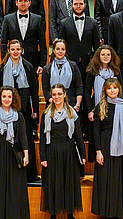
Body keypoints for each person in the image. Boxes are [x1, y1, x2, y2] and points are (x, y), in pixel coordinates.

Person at [39, 84, 87, 219]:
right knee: (53, 183)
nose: (57, 97)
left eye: (59, 94)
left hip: (69, 151)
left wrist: (83, 154)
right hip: (52, 151)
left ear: (64, 94)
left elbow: (78, 135)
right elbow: (42, 137)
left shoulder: (72, 113)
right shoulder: (46, 114)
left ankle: (70, 213)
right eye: (54, 94)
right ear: (51, 96)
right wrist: (43, 156)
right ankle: (53, 213)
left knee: (69, 182)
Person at [91, 78, 123, 218]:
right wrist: (98, 151)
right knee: (105, 180)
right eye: (109, 88)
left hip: (122, 147)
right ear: (105, 90)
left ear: (119, 90)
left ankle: (119, 212)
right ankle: (105, 212)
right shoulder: (100, 106)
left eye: (115, 88)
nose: (112, 90)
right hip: (105, 146)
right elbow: (96, 131)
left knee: (120, 180)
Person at [0, 39, 40, 183]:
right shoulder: (2, 68)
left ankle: (30, 175)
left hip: (25, 111)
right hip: (7, 111)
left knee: (26, 140)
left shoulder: (28, 67)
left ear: (22, 50)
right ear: (8, 51)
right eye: (13, 49)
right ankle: (11, 174)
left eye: (18, 49)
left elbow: (34, 90)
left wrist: (35, 113)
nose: (15, 52)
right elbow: (0, 92)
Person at [0, 86, 30, 219]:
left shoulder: (19, 116)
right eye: (4, 96)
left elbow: (23, 137)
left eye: (9, 97)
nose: (6, 99)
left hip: (14, 155)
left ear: (13, 98)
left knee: (15, 188)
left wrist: (26, 155)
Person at [84, 45, 122, 161]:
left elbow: (120, 92)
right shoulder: (92, 71)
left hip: (114, 107)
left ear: (112, 56)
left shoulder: (116, 72)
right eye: (103, 54)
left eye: (108, 55)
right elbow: (87, 92)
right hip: (97, 107)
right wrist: (90, 110)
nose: (105, 57)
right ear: (98, 56)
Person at [0, 0, 47, 74]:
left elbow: (42, 42)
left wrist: (42, 64)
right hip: (13, 59)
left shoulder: (38, 19)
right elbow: (3, 41)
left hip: (33, 59)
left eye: (25, 1)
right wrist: (5, 60)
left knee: (33, 86)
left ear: (29, 3)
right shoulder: (8, 19)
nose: (23, 3)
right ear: (16, 3)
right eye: (20, 1)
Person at [58, 0, 99, 79]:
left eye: (80, 4)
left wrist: (95, 63)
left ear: (85, 5)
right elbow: (61, 45)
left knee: (86, 90)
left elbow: (96, 46)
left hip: (88, 64)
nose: (78, 6)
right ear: (72, 5)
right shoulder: (64, 23)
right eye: (76, 4)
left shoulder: (93, 23)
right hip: (69, 64)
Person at [42, 39, 84, 109]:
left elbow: (79, 86)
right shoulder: (46, 68)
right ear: (53, 50)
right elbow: (45, 90)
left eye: (63, 49)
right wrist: (55, 103)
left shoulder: (73, 66)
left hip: (71, 104)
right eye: (58, 49)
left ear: (65, 51)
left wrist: (77, 105)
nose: (60, 51)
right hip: (52, 105)